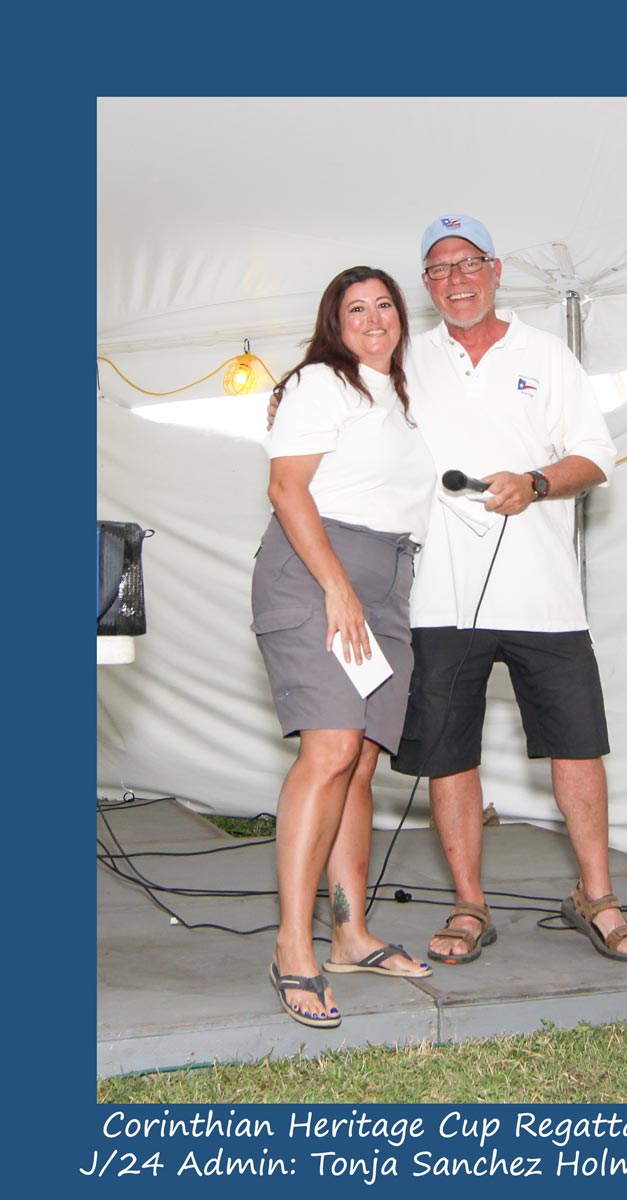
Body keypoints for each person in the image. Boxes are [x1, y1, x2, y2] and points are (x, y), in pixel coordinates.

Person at [270, 218, 627, 970]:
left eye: (469, 263)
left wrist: (537, 482)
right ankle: (468, 904)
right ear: (426, 285)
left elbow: (597, 457)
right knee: (449, 753)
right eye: (439, 269)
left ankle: (597, 896)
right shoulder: (401, 358)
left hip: (545, 595)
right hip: (432, 599)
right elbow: (333, 419)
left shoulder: (546, 354)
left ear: (496, 270)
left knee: (577, 744)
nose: (457, 279)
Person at [252, 265, 438, 1029]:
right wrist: (335, 586)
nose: (373, 317)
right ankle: (291, 946)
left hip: (387, 578)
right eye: (355, 308)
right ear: (334, 322)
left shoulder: (401, 398)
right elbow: (287, 488)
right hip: (316, 573)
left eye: (384, 304)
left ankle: (350, 935)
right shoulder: (320, 382)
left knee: (360, 760)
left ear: (401, 316)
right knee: (329, 749)